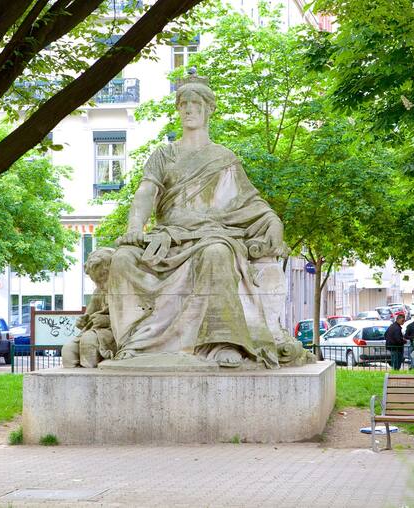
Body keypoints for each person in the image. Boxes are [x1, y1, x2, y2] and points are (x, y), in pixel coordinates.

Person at [106, 73, 309, 369]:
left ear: (209, 109)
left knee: (217, 253)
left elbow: (249, 201)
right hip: (168, 239)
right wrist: (135, 228)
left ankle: (223, 340)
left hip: (210, 236)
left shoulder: (223, 158)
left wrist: (272, 221)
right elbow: (146, 191)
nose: (189, 109)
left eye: (195, 103)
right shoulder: (164, 155)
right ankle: (135, 343)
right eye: (183, 104)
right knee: (123, 259)